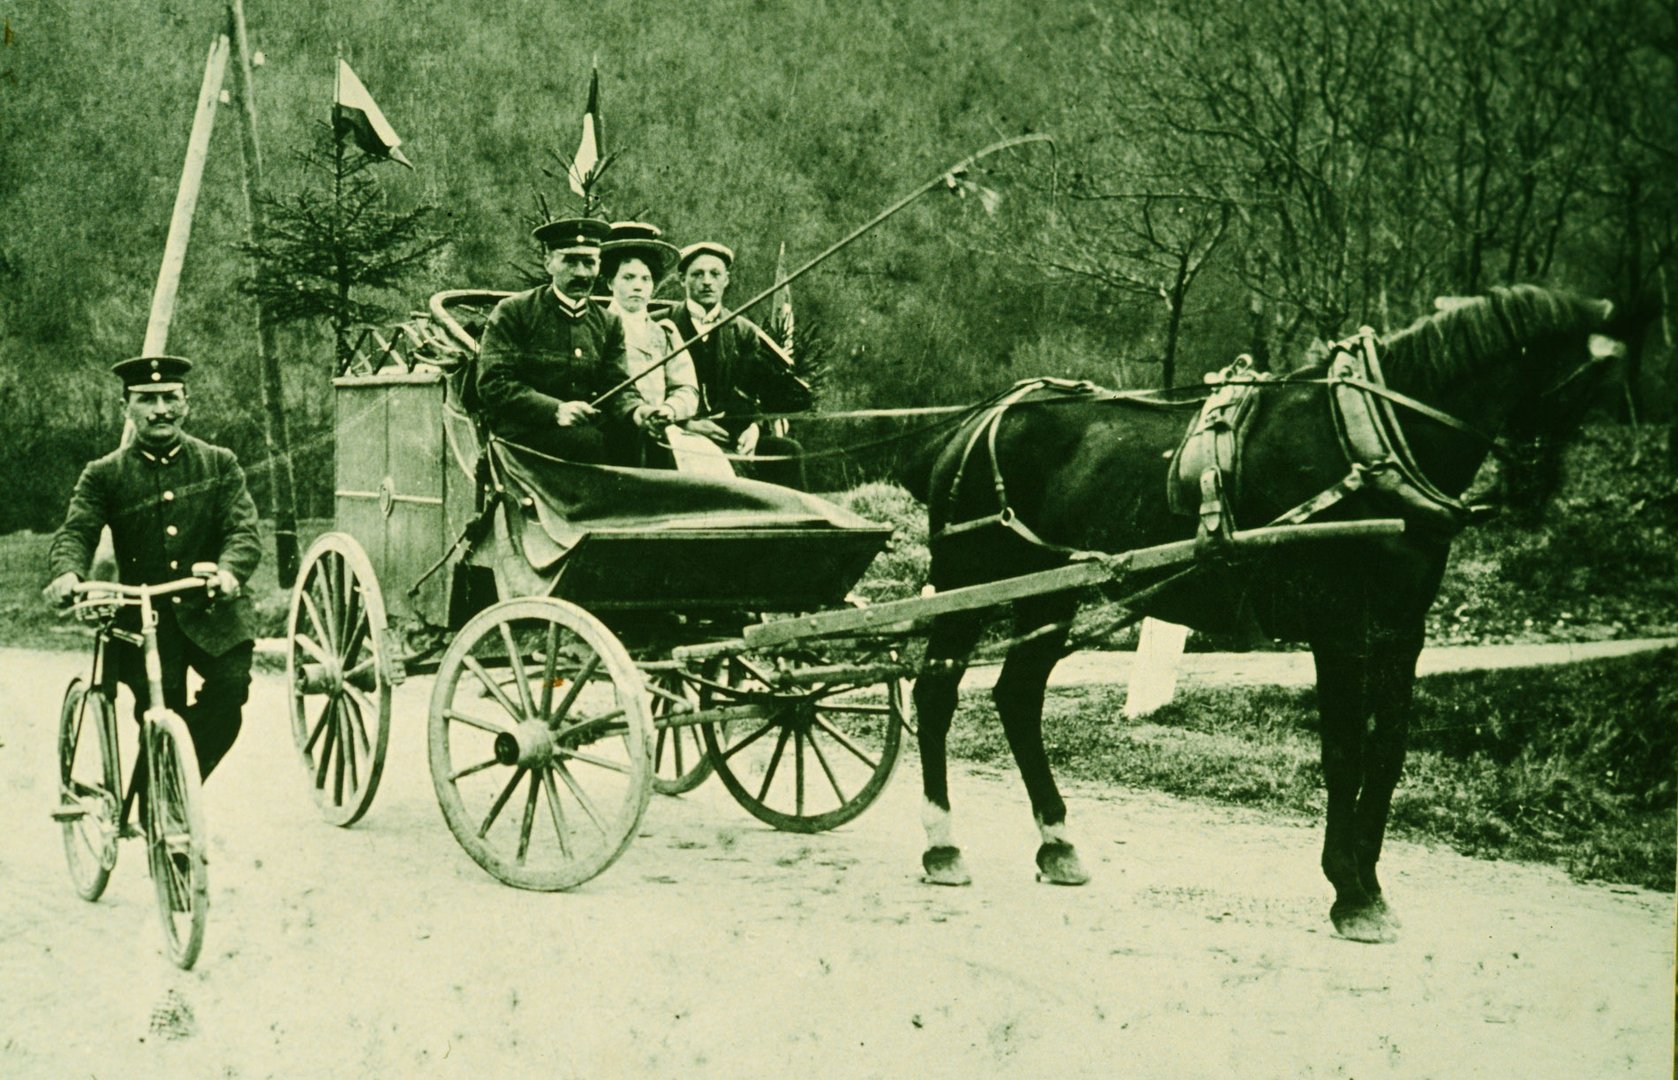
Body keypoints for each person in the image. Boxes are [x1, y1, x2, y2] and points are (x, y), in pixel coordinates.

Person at [43, 355, 261, 782]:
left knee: (229, 695)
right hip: (145, 619)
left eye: (170, 397)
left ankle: (164, 793)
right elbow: (77, 531)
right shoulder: (104, 474)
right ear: (126, 406)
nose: (160, 409)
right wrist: (68, 574)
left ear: (187, 404)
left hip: (211, 612)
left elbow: (243, 531)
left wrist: (229, 571)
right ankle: (165, 807)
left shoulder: (219, 463)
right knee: (161, 708)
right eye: (147, 399)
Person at [475, 216, 661, 464]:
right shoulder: (514, 311)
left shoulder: (607, 323)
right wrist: (554, 410)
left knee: (645, 440)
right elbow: (494, 384)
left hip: (584, 431)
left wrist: (638, 411)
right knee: (588, 443)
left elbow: (617, 385)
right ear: (548, 263)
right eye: (570, 261)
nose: (582, 273)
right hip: (524, 434)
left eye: (589, 263)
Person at [667, 241, 813, 487]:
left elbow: (758, 390)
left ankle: (797, 524)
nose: (706, 281)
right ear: (682, 279)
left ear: (726, 280)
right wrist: (686, 423)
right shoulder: (664, 324)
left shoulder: (743, 331)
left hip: (730, 434)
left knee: (788, 451)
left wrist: (754, 427)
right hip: (679, 432)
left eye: (715, 274)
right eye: (697, 274)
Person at [599, 222, 699, 467]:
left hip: (664, 427)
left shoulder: (665, 332)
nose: (638, 286)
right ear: (610, 282)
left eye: (646, 278)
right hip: (615, 430)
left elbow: (686, 387)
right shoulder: (597, 327)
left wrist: (669, 410)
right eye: (628, 277)